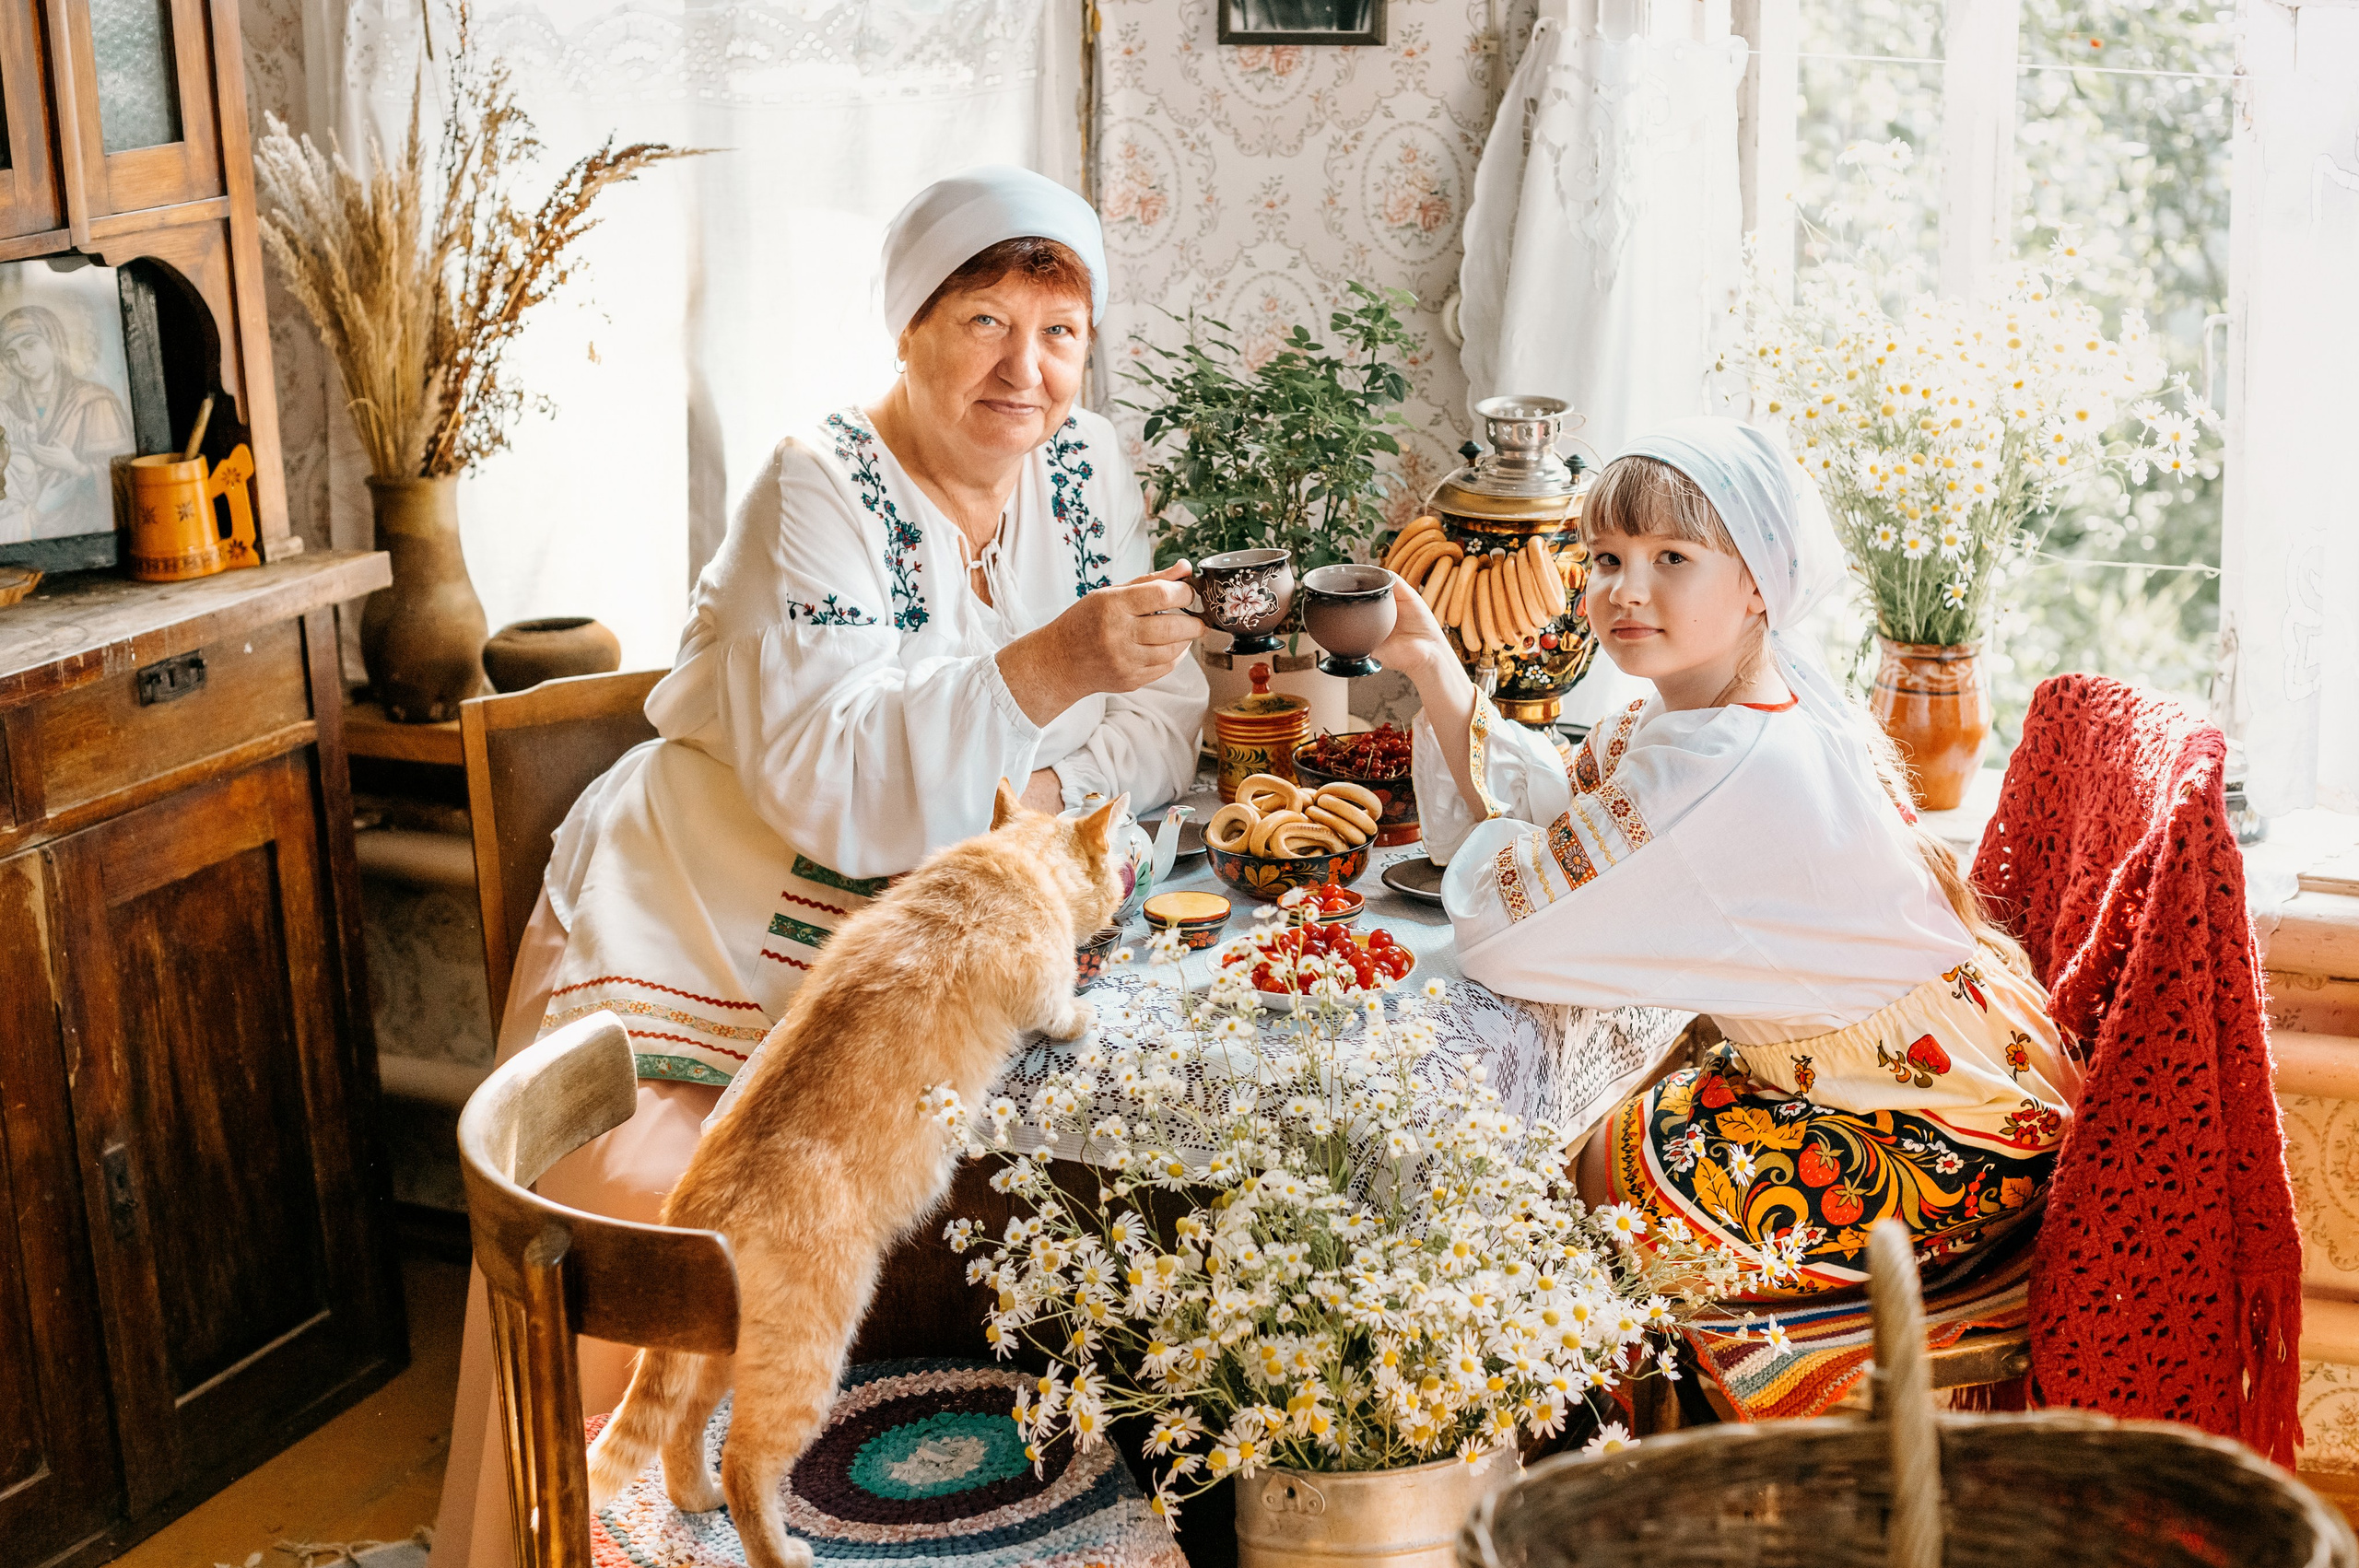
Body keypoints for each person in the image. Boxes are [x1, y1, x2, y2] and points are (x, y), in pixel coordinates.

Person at [431, 166, 1206, 1565]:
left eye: (1060, 331)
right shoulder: (817, 482)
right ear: (909, 324)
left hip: (948, 915)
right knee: (674, 1209)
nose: (1025, 370)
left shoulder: (1086, 469)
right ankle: (591, 1535)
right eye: (983, 319)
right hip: (713, 899)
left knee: (1033, 1164)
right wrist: (1048, 674)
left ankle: (931, 1496)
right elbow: (831, 779)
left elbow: (1160, 725)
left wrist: (1032, 779)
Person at [1374, 415, 2081, 1299]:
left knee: (1579, 1199)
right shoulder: (1727, 702)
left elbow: (1506, 933)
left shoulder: (1723, 765)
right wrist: (1434, 664)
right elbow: (1579, 821)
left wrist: (1499, 858)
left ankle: (1606, 1426)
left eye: (1671, 558)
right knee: (1586, 1148)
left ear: (1756, 584)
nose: (1627, 591)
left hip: (1943, 1138)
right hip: (1963, 1074)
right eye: (1605, 559)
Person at [0, 304, 133, 543]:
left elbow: (125, 481)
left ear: (53, 340)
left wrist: (77, 468)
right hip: (24, 534)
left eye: (30, 345)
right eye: (11, 354)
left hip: (91, 534)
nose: (22, 360)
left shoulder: (95, 402)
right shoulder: (6, 412)